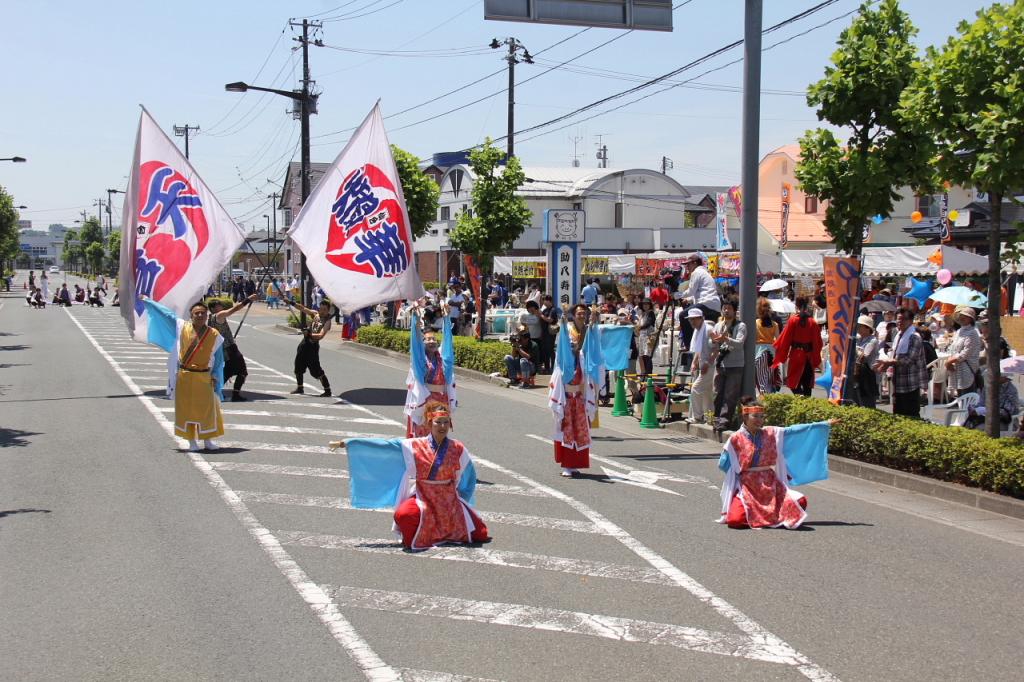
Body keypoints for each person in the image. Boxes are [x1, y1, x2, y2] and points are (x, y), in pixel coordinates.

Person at [342, 403, 490, 551]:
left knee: (481, 535)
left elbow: (469, 477)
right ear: (429, 423)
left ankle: (445, 529)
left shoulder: (458, 448)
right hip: (423, 496)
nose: (442, 426)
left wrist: (461, 498)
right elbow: (386, 446)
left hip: (449, 501)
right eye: (438, 422)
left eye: (446, 422)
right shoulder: (415, 445)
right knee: (403, 515)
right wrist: (351, 443)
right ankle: (417, 537)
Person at [717, 396, 834, 529]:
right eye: (755, 416)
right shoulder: (735, 439)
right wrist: (738, 480)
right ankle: (760, 513)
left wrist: (824, 424)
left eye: (762, 416)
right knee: (735, 520)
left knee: (800, 501)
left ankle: (767, 516)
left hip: (770, 484)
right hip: (747, 486)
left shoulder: (771, 433)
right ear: (745, 417)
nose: (759, 420)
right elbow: (723, 464)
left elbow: (794, 430)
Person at [143, 299, 226, 452]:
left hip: (204, 377)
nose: (200, 315)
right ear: (191, 315)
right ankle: (191, 441)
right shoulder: (182, 327)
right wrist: (148, 301)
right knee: (186, 409)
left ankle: (207, 440)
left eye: (203, 313)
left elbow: (219, 358)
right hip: (185, 375)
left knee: (207, 409)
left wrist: (215, 375)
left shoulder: (214, 335)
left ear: (207, 315)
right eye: (197, 313)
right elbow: (166, 314)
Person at [405, 312, 457, 437]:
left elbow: (448, 344)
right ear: (423, 343)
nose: (432, 341)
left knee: (440, 432)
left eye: (434, 339)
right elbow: (415, 344)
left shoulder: (443, 360)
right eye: (428, 339)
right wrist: (415, 320)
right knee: (424, 432)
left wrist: (446, 317)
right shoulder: (421, 362)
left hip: (442, 400)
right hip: (426, 400)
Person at [874, 308, 927, 419]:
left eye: (903, 319)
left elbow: (909, 360)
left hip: (910, 383)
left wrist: (888, 362)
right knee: (898, 415)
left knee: (911, 416)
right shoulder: (898, 335)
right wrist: (886, 363)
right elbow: (894, 354)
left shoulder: (914, 337)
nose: (900, 322)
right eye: (898, 319)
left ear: (911, 321)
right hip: (898, 383)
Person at [208, 294, 258, 402]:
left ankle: (215, 391)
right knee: (242, 371)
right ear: (213, 308)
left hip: (222, 349)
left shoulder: (210, 319)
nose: (221, 306)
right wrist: (248, 300)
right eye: (218, 305)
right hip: (229, 349)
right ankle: (235, 394)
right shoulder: (218, 315)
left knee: (227, 371)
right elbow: (234, 309)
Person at [773, 297, 823, 397]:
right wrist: (816, 358)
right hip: (808, 357)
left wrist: (781, 353)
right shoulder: (812, 322)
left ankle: (799, 397)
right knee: (807, 386)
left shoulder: (793, 320)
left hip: (796, 355)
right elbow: (818, 343)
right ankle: (805, 405)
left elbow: (785, 339)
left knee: (792, 383)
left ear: (796, 306)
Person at [283, 298, 333, 396]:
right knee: (298, 366)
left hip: (313, 346)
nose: (322, 311)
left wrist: (309, 334)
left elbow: (321, 335)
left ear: (328, 310)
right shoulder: (315, 314)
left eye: (324, 310)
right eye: (321, 309)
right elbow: (302, 308)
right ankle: (300, 388)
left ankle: (327, 390)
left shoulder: (328, 321)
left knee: (316, 370)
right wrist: (291, 302)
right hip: (304, 343)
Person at [710, 299, 747, 431]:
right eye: (724, 308)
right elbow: (713, 345)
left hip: (735, 365)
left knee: (730, 395)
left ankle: (724, 422)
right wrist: (713, 341)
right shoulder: (719, 325)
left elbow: (739, 344)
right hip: (721, 363)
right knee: (717, 393)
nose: (726, 310)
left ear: (734, 310)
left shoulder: (740, 326)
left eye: (729, 308)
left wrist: (725, 339)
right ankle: (716, 418)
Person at [680, 253, 722, 349]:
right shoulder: (705, 273)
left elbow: (691, 291)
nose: (687, 267)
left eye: (688, 264)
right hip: (714, 307)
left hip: (705, 304)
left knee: (683, 315)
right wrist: (688, 299)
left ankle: (689, 345)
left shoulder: (696, 272)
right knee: (703, 328)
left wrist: (677, 295)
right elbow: (699, 292)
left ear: (695, 263)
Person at [686, 308, 715, 424]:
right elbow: (699, 350)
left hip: (711, 365)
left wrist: (707, 363)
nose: (692, 322)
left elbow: (717, 348)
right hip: (704, 363)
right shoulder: (698, 331)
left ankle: (697, 416)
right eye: (690, 320)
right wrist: (694, 362)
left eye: (694, 319)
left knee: (696, 389)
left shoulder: (708, 330)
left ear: (701, 318)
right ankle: (710, 417)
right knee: (707, 393)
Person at [945, 306, 981, 397]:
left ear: (971, 318)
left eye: (965, 316)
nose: (962, 317)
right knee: (961, 398)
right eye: (960, 315)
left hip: (967, 370)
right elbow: (953, 349)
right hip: (957, 369)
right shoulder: (959, 331)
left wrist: (949, 362)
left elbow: (965, 354)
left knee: (967, 399)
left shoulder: (973, 332)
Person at [851, 315, 880, 408]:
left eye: (860, 326)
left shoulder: (873, 340)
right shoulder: (858, 339)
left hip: (868, 374)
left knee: (867, 401)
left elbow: (864, 356)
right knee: (856, 399)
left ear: (867, 328)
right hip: (858, 372)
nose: (858, 328)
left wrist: (855, 350)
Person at [754, 297, 781, 395]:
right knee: (769, 380)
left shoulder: (756, 323)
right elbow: (778, 341)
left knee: (761, 381)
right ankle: (770, 401)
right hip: (772, 354)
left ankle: (763, 403)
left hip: (759, 352)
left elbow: (753, 338)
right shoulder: (775, 324)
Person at [538, 294, 560, 374]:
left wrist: (541, 315)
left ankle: (552, 367)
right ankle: (547, 367)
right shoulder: (545, 310)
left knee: (550, 350)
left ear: (548, 300)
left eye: (544, 300)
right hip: (544, 332)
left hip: (550, 333)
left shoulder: (553, 310)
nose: (544, 302)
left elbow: (550, 320)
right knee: (545, 350)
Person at [636, 299, 657, 376]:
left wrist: (639, 327)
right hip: (642, 337)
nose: (645, 305)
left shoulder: (651, 313)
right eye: (644, 304)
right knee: (643, 356)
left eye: (647, 304)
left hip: (648, 337)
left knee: (648, 356)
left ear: (650, 305)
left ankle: (649, 374)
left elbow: (648, 323)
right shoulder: (643, 314)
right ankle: (645, 373)